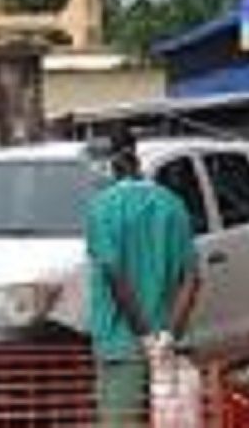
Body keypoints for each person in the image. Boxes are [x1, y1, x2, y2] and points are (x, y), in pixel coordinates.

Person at [86, 126, 200, 426]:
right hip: (170, 350)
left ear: (112, 161)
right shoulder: (172, 204)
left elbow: (114, 276)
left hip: (121, 348)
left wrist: (145, 336)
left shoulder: (101, 208)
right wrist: (168, 336)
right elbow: (191, 279)